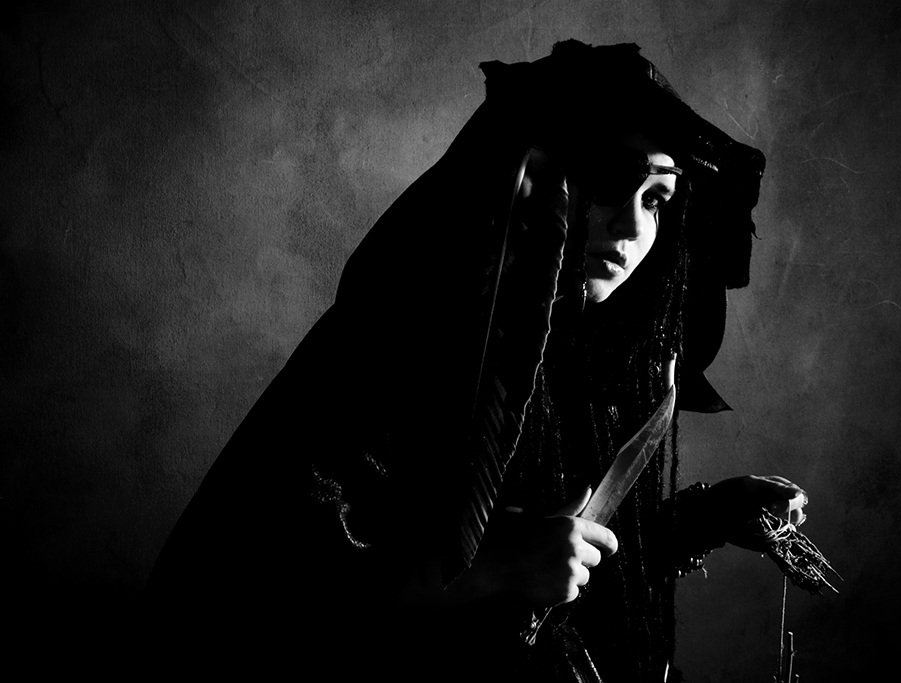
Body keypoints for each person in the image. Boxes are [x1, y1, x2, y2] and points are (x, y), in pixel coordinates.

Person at [147, 41, 806, 681]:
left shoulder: (589, 363)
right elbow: (261, 578)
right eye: (610, 182)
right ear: (533, 180)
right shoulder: (401, 340)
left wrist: (710, 515)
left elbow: (581, 554)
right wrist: (489, 570)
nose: (633, 228)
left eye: (656, 199)